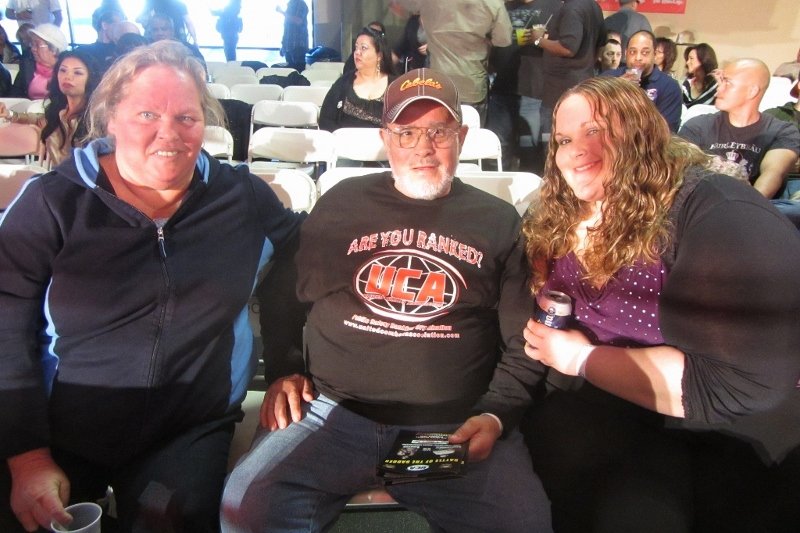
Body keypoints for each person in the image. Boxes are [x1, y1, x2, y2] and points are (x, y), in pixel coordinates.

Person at [221, 67, 553, 533]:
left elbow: (524, 342)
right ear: (385, 138)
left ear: (461, 137)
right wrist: (286, 370)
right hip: (331, 418)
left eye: (439, 131)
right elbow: (283, 297)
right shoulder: (342, 205)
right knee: (247, 507)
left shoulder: (498, 222)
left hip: (446, 431)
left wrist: (496, 414)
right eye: (407, 132)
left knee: (521, 523)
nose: (423, 147)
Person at [0, 40, 304, 533]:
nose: (170, 133)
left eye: (187, 118)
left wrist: (289, 365)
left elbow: (306, 253)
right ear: (111, 119)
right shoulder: (50, 204)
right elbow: (5, 330)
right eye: (147, 114)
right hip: (61, 428)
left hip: (186, 428)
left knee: (173, 521)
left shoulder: (241, 198)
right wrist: (27, 456)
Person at [521, 75, 800, 533]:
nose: (575, 150)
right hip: (607, 408)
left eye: (595, 131)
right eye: (565, 139)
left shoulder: (717, 210)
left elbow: (736, 386)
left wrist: (580, 358)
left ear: (642, 133)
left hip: (724, 428)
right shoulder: (556, 210)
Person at [679, 58, 800, 209]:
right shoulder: (697, 126)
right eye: (720, 81)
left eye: (727, 82)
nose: (718, 89)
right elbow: (678, 172)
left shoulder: (782, 131)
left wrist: (743, 209)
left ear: (752, 91)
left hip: (755, 210)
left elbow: (773, 173)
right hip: (700, 208)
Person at [393, 0, 513, 125]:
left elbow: (402, 7)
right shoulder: (492, 2)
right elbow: (503, 40)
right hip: (471, 84)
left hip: (437, 84)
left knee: (439, 132)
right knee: (470, 133)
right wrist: (483, 42)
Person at [537, 0, 605, 133]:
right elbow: (601, 44)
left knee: (553, 138)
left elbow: (568, 48)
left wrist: (538, 40)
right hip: (583, 82)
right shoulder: (594, 6)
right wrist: (587, 64)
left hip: (560, 90)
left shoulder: (572, 8)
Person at [601, 30, 682, 132]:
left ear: (655, 54)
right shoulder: (607, 78)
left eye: (645, 53)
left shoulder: (669, 87)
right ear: (625, 53)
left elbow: (666, 131)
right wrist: (618, 89)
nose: (638, 58)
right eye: (632, 52)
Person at [319, 26, 395, 133]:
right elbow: (325, 120)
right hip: (345, 142)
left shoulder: (395, 86)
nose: (357, 52)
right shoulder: (343, 83)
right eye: (356, 47)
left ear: (379, 55)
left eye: (363, 48)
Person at [38, 49, 101, 167]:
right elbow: (36, 118)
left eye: (77, 73)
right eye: (63, 70)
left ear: (90, 78)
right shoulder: (57, 111)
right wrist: (11, 115)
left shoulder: (97, 118)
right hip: (57, 176)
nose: (67, 77)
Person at [9, 22, 67, 99]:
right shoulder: (28, 66)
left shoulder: (66, 69)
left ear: (54, 49)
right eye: (32, 44)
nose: (33, 49)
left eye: (37, 45)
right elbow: (14, 95)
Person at [79, 5, 125, 74]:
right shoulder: (83, 53)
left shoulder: (123, 50)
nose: (121, 29)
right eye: (118, 25)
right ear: (105, 25)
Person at [681, 42, 718, 107]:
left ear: (703, 60)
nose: (687, 62)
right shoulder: (687, 84)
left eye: (691, 58)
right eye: (687, 59)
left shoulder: (715, 86)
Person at [277, 0, 309, 72]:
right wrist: (283, 46)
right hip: (289, 47)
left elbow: (298, 20)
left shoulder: (301, 4)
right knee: (290, 74)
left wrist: (281, 12)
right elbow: (287, 29)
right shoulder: (290, 4)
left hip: (298, 47)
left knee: (298, 73)